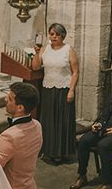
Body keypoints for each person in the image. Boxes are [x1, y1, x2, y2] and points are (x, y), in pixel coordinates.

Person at [31, 23, 79, 164]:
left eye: (57, 34)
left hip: (64, 89)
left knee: (62, 121)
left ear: (62, 36)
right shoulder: (45, 49)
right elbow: (35, 67)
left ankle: (61, 153)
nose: (54, 37)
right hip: (48, 89)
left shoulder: (68, 49)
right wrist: (36, 53)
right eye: (51, 34)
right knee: (48, 120)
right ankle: (48, 150)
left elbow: (75, 72)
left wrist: (71, 90)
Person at [0, 81, 42, 189]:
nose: (5, 100)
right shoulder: (37, 126)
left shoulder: (9, 137)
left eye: (9, 99)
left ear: (20, 107)